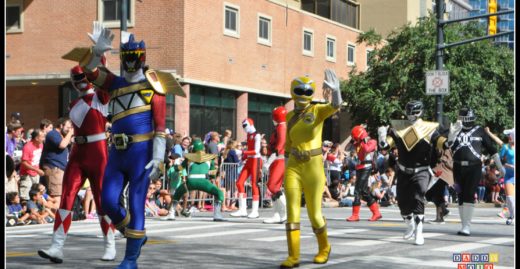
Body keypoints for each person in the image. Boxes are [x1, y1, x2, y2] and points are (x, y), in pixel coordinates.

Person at [65, 23, 183, 268]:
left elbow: (160, 127)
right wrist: (96, 52)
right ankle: (134, 235)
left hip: (141, 153)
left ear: (142, 58)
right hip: (116, 153)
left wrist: (159, 158)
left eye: (134, 57)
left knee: (137, 203)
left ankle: (130, 259)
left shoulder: (154, 87)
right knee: (108, 202)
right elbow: (88, 72)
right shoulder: (114, 83)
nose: (130, 62)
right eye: (126, 56)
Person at [38, 65, 116, 264]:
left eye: (83, 76)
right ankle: (57, 246)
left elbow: (105, 81)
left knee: (101, 199)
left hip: (97, 152)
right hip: (77, 153)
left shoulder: (100, 97)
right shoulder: (74, 103)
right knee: (66, 197)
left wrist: (99, 60)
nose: (79, 81)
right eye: (76, 78)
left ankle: (110, 243)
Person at [281, 69, 342, 268]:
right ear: (292, 91)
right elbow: (288, 146)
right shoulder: (289, 116)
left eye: (309, 91)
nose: (304, 94)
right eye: (300, 90)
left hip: (313, 166)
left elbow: (335, 106)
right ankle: (293, 256)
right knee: (291, 212)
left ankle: (324, 248)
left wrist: (336, 91)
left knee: (314, 213)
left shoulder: (317, 111)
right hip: (293, 166)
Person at [378, 100, 447, 246]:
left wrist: (451, 139)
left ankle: (419, 231)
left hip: (421, 170)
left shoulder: (429, 129)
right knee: (402, 203)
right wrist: (382, 137)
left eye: (414, 112)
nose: (411, 115)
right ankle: (409, 223)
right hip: (403, 170)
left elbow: (441, 142)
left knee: (418, 196)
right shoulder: (398, 128)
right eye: (409, 112)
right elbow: (385, 146)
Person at [447, 108, 504, 236]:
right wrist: (451, 134)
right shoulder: (456, 129)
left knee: (469, 194)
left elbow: (492, 149)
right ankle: (463, 225)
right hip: (458, 167)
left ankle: (467, 226)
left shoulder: (480, 131)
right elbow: (447, 146)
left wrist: (500, 167)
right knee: (460, 195)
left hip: (474, 167)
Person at [165, 139, 224, 221]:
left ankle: (171, 214)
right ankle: (217, 215)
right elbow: (213, 173)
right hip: (204, 181)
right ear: (203, 148)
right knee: (219, 193)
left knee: (177, 193)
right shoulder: (210, 158)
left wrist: (173, 166)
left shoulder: (189, 158)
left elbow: (180, 168)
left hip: (191, 181)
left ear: (193, 148)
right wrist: (212, 180)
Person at [346, 125, 382, 222]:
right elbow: (347, 148)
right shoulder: (357, 143)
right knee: (364, 192)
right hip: (359, 168)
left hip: (367, 167)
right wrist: (352, 141)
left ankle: (355, 215)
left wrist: (363, 140)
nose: (354, 139)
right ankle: (376, 213)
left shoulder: (372, 141)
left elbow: (366, 149)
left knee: (357, 190)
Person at [231, 118, 263, 218]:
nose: (244, 128)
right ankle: (242, 209)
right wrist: (243, 157)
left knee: (254, 184)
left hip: (256, 160)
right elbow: (250, 149)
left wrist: (242, 153)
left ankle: (255, 211)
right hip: (249, 160)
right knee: (239, 182)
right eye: (243, 126)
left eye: (245, 125)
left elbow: (256, 151)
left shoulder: (257, 135)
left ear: (250, 124)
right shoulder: (249, 135)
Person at [263, 106, 288, 224]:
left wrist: (268, 161)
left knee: (272, 186)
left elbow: (280, 144)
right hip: (277, 159)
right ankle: (277, 214)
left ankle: (286, 212)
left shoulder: (281, 127)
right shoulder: (280, 126)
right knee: (273, 187)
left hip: (279, 159)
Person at [486, 127, 515, 225]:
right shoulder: (505, 147)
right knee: (510, 199)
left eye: (510, 135)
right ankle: (511, 216)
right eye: (509, 136)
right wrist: (489, 133)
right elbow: (501, 160)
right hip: (509, 176)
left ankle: (508, 213)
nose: (509, 137)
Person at [18, 130, 45, 201]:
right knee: (25, 196)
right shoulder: (27, 147)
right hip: (26, 175)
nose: (44, 138)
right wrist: (36, 170)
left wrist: (37, 170)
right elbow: (24, 162)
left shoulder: (41, 145)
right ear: (36, 138)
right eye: (42, 137)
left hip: (36, 174)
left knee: (35, 195)